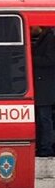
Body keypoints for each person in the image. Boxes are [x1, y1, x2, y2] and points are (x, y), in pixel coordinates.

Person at [32, 27, 55, 157]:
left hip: (45, 86)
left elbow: (50, 60)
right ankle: (42, 146)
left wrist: (30, 59)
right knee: (42, 118)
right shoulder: (46, 37)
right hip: (42, 85)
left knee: (44, 118)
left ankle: (46, 148)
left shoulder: (50, 38)